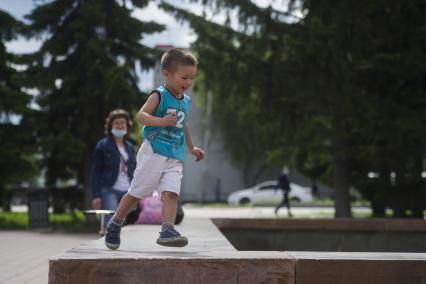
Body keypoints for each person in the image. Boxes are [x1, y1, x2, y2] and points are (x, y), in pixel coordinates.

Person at [105, 48, 205, 250]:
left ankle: (167, 229)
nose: (188, 83)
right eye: (184, 77)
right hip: (154, 152)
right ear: (166, 74)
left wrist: (191, 147)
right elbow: (141, 116)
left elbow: (183, 124)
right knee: (137, 193)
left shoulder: (185, 101)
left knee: (172, 193)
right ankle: (115, 223)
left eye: (192, 78)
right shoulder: (159, 95)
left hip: (174, 156)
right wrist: (160, 121)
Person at [90, 109, 136, 234]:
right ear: (111, 126)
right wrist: (96, 195)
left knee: (124, 226)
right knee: (111, 222)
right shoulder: (103, 145)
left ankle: (115, 247)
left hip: (128, 191)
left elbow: (133, 170)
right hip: (109, 189)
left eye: (123, 123)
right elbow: (96, 171)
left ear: (127, 126)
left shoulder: (129, 147)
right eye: (117, 123)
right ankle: (107, 245)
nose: (120, 126)